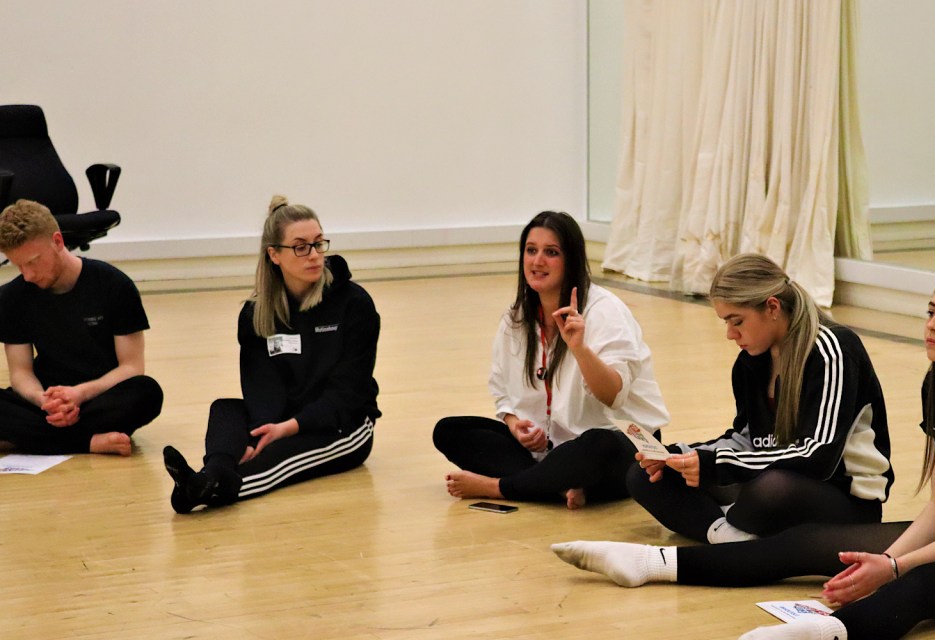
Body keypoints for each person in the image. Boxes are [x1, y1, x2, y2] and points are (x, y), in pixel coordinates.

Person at [552, 271, 935, 640]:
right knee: (802, 545)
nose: (932, 325)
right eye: (930, 311)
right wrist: (883, 562)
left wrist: (896, 567)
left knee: (922, 587)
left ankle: (825, 632)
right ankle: (651, 563)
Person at [628, 254, 893, 543]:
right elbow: (747, 438)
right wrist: (680, 456)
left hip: (841, 497)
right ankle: (729, 535)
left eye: (737, 321)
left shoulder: (832, 349)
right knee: (643, 476)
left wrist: (716, 464)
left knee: (768, 491)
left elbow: (818, 456)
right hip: (769, 476)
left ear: (772, 307)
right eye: (726, 323)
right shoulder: (749, 362)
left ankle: (723, 522)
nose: (730, 334)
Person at [432, 210, 669, 509]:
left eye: (551, 253)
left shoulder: (606, 311)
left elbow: (613, 395)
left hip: (622, 444)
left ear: (571, 259)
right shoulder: (516, 318)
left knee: (596, 446)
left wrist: (580, 349)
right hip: (553, 451)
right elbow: (502, 390)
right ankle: (556, 486)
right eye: (531, 251)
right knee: (450, 431)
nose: (537, 261)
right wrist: (516, 424)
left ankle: (500, 487)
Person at [162, 195, 380, 513]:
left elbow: (348, 393)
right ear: (274, 255)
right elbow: (260, 385)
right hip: (282, 415)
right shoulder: (256, 313)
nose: (314, 255)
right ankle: (212, 472)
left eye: (319, 244)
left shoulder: (354, 304)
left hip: (341, 426)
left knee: (280, 459)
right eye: (301, 246)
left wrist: (286, 429)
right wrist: (260, 432)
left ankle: (209, 488)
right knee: (226, 410)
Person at [0, 199, 163, 456]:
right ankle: (88, 442)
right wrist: (43, 400)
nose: (27, 275)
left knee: (147, 392)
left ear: (57, 241)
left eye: (33, 261)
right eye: (18, 266)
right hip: (45, 404)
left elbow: (132, 367)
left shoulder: (113, 285)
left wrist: (79, 394)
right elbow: (20, 373)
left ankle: (30, 439)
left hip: (98, 398)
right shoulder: (11, 297)